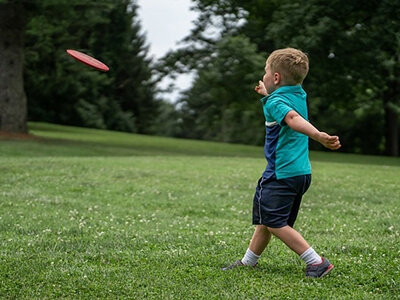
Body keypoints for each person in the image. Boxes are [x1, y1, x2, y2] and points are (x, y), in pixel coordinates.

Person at [222, 48, 341, 278]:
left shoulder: (276, 101)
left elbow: (292, 118)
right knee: (267, 220)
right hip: (301, 173)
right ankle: (248, 261)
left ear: (276, 77)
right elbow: (282, 104)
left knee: (275, 222)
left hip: (281, 172)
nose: (264, 75)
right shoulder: (299, 94)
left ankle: (316, 261)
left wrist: (318, 136)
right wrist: (267, 94)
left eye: (266, 71)